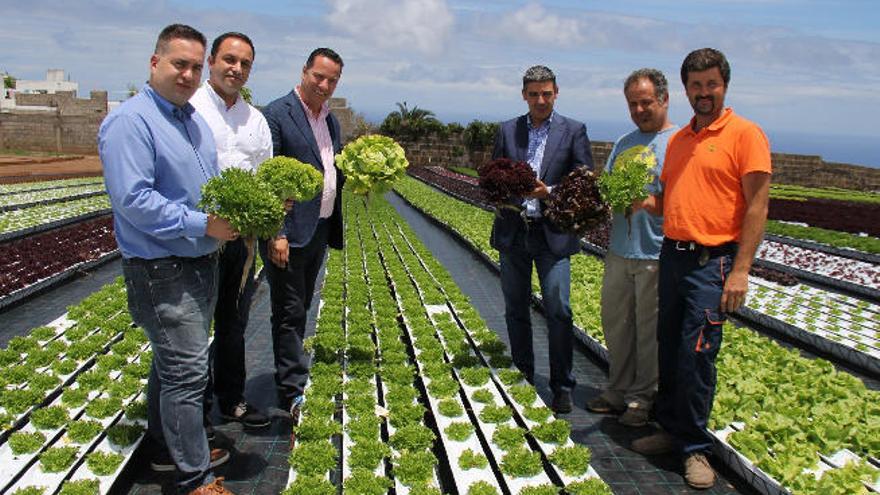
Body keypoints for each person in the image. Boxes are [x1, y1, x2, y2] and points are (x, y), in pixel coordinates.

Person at [99, 24, 239, 495]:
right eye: (180, 63)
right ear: (154, 62)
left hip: (200, 262)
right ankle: (194, 478)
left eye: (196, 67)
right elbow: (133, 200)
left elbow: (206, 191)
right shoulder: (131, 122)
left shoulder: (190, 119)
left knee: (173, 364)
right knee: (187, 373)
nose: (189, 74)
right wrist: (205, 226)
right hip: (161, 269)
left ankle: (166, 446)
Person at [630, 48, 771, 489]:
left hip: (714, 262)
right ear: (686, 89)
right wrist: (638, 201)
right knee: (669, 347)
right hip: (673, 255)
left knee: (697, 355)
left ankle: (694, 449)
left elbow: (758, 207)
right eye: (696, 85)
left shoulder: (746, 135)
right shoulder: (679, 142)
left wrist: (741, 270)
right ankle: (670, 430)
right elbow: (669, 202)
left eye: (711, 84)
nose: (703, 93)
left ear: (724, 85)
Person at [491, 65, 594, 414]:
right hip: (514, 230)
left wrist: (547, 191)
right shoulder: (507, 130)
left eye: (546, 93)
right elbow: (493, 174)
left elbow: (584, 181)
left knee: (559, 309)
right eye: (533, 94)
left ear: (556, 93)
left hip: (553, 234)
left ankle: (562, 385)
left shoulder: (574, 131)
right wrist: (503, 192)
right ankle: (522, 374)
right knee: (515, 308)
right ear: (524, 94)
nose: (540, 100)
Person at [190, 31, 272, 430]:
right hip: (199, 237)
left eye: (244, 64)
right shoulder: (189, 108)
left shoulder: (254, 119)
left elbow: (266, 176)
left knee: (233, 322)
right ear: (211, 61)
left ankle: (231, 398)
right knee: (194, 325)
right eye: (229, 60)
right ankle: (197, 408)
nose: (236, 69)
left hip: (241, 239)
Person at [585, 69, 676, 427]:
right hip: (620, 249)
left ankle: (642, 399)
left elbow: (681, 200)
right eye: (633, 104)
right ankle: (617, 390)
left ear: (664, 100)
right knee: (617, 323)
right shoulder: (624, 143)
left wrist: (648, 202)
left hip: (656, 252)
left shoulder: (678, 142)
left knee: (648, 331)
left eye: (646, 102)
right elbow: (606, 188)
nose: (640, 110)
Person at [260, 48, 345, 415]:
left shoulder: (331, 120)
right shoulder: (277, 114)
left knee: (302, 305)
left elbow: (332, 168)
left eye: (332, 80)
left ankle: (291, 377)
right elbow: (269, 178)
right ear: (304, 72)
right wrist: (275, 232)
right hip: (290, 234)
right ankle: (292, 389)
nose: (324, 85)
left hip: (319, 230)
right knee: (290, 310)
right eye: (319, 77)